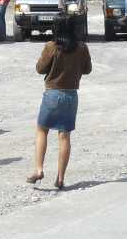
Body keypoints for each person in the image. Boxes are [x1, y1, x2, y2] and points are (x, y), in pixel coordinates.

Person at [28, 17, 92, 190]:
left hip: (52, 94)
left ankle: (39, 169)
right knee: (64, 136)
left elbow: (40, 69)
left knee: (42, 130)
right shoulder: (82, 47)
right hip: (71, 96)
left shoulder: (51, 46)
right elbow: (87, 69)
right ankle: (61, 178)